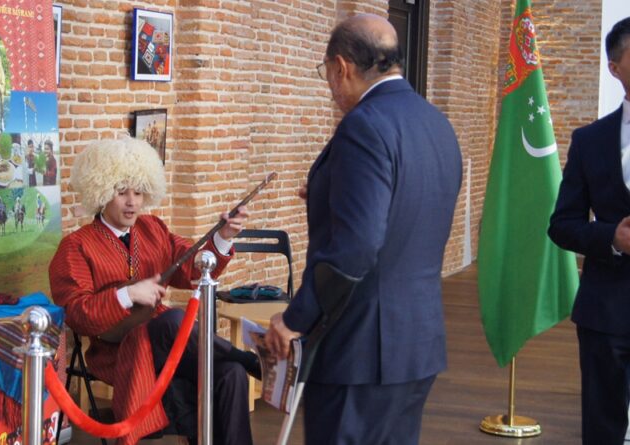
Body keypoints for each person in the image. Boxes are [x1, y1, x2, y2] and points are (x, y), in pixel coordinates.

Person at [264, 14, 462, 444]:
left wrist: (296, 318)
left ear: (341, 67)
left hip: (360, 347)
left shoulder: (364, 126)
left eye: (326, 74)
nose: (330, 87)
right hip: (416, 341)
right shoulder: (436, 123)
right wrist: (330, 194)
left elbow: (358, 247)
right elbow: (409, 207)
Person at [49, 136, 258, 445]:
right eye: (122, 192)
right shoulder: (75, 246)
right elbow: (76, 314)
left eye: (138, 192)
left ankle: (241, 364)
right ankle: (252, 361)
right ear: (101, 192)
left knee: (231, 373)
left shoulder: (153, 229)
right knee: (173, 319)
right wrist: (128, 295)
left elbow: (192, 267)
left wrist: (223, 236)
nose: (132, 202)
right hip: (118, 352)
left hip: (169, 346)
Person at [548, 18, 630, 445]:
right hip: (607, 311)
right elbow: (562, 225)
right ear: (615, 68)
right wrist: (611, 238)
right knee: (602, 430)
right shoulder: (590, 141)